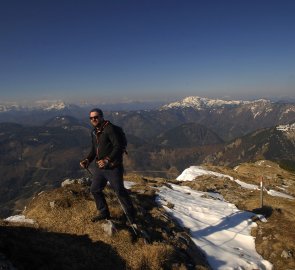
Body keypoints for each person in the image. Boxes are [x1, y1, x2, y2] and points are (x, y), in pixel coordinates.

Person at [80, 108, 136, 223]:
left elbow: (118, 147)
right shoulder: (94, 131)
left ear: (101, 116)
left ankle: (131, 216)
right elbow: (94, 149)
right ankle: (104, 212)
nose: (94, 119)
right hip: (100, 168)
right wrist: (87, 160)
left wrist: (107, 160)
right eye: (91, 118)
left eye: (96, 117)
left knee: (119, 191)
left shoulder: (110, 129)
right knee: (95, 189)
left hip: (113, 167)